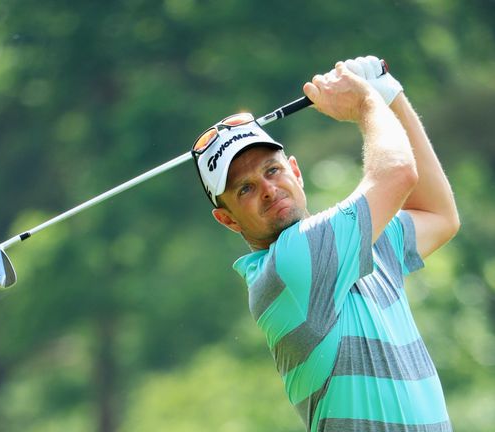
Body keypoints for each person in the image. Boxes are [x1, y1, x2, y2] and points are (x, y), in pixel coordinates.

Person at [191, 55, 460, 432]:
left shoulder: (353, 245)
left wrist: (389, 93)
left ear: (295, 172)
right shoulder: (289, 264)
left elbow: (439, 216)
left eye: (272, 170)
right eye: (245, 188)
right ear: (228, 219)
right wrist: (367, 101)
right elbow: (397, 172)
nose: (268, 190)